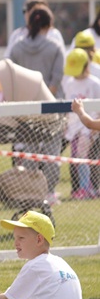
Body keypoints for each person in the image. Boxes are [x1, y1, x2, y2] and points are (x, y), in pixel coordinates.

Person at [63, 50, 100, 200]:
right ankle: (80, 187)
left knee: (83, 156)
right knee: (76, 157)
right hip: (74, 127)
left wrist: (94, 128)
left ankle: (87, 187)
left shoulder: (94, 84)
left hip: (88, 128)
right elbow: (68, 105)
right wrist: (67, 123)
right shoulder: (70, 83)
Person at [9, 6, 64, 97]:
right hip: (52, 105)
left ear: (29, 24)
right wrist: (44, 99)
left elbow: (11, 77)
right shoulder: (55, 47)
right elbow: (56, 79)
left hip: (23, 103)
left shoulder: (16, 47)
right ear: (49, 25)